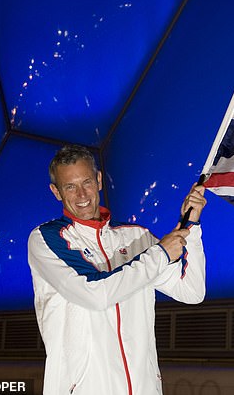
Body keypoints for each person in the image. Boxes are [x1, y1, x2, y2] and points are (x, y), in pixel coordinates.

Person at [27, 144, 206, 395]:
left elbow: (191, 291)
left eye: (87, 182)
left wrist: (192, 226)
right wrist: (160, 254)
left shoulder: (136, 237)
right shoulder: (46, 238)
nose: (82, 194)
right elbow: (95, 294)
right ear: (56, 192)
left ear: (99, 180)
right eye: (70, 186)